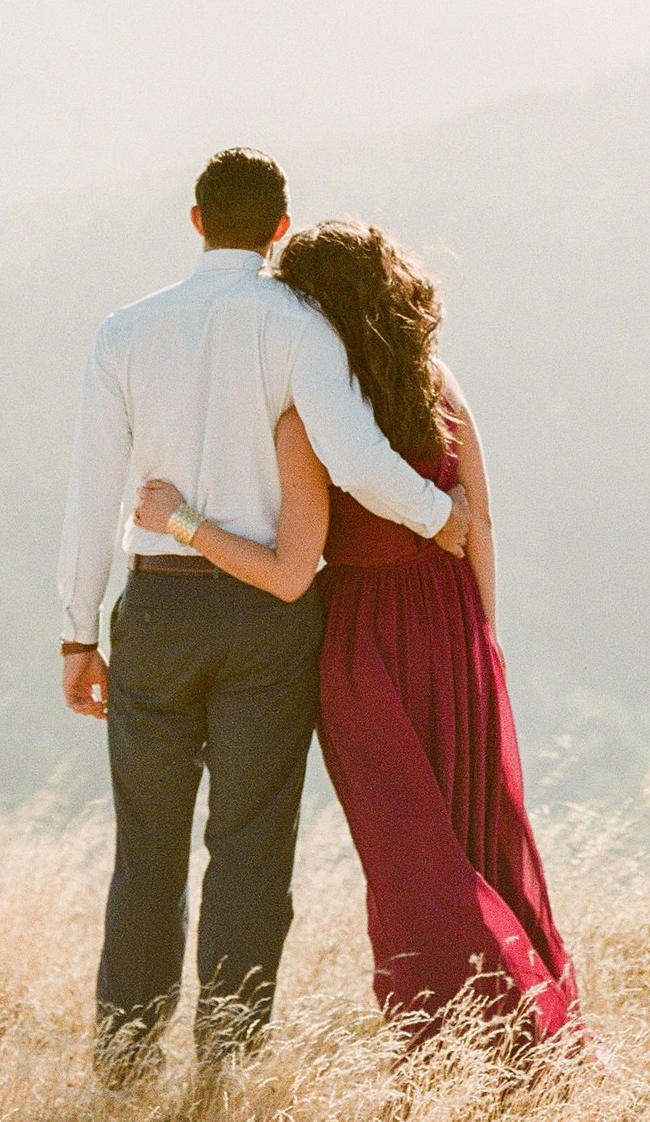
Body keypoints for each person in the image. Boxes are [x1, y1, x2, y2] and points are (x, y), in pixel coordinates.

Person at [57, 147, 472, 1080]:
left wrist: (79, 629)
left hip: (157, 607)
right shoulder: (299, 328)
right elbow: (359, 459)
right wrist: (442, 517)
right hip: (269, 621)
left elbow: (91, 496)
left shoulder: (124, 333)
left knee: (147, 852)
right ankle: (228, 1073)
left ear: (196, 221)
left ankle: (124, 1068)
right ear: (280, 230)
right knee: (250, 851)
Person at [134, 217, 581, 1059]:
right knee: (481, 837)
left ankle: (497, 1041)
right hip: (455, 633)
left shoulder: (307, 419)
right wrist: (485, 637)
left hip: (365, 652)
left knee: (413, 863)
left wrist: (180, 521)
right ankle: (518, 1037)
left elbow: (289, 572)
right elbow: (480, 516)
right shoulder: (436, 383)